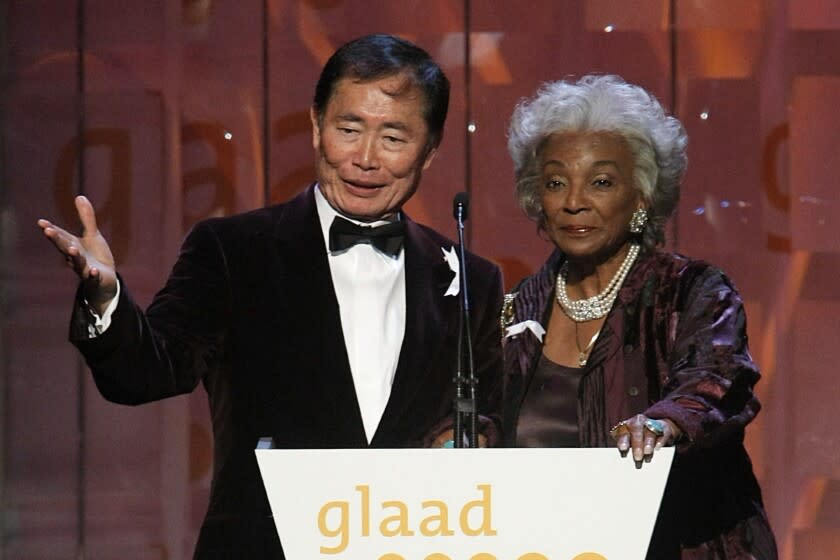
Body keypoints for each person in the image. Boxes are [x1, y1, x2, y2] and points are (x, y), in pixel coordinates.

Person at [38, 34, 503, 558]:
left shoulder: (471, 281)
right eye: (348, 130)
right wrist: (105, 297)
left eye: (394, 138)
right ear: (315, 125)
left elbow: (491, 423)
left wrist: (474, 438)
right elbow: (146, 370)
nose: (366, 159)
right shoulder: (234, 251)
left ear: (431, 149)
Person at [501, 74, 777, 558]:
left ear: (642, 197)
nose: (573, 201)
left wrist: (663, 423)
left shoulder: (692, 292)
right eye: (555, 182)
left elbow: (716, 380)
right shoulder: (515, 311)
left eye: (601, 182)